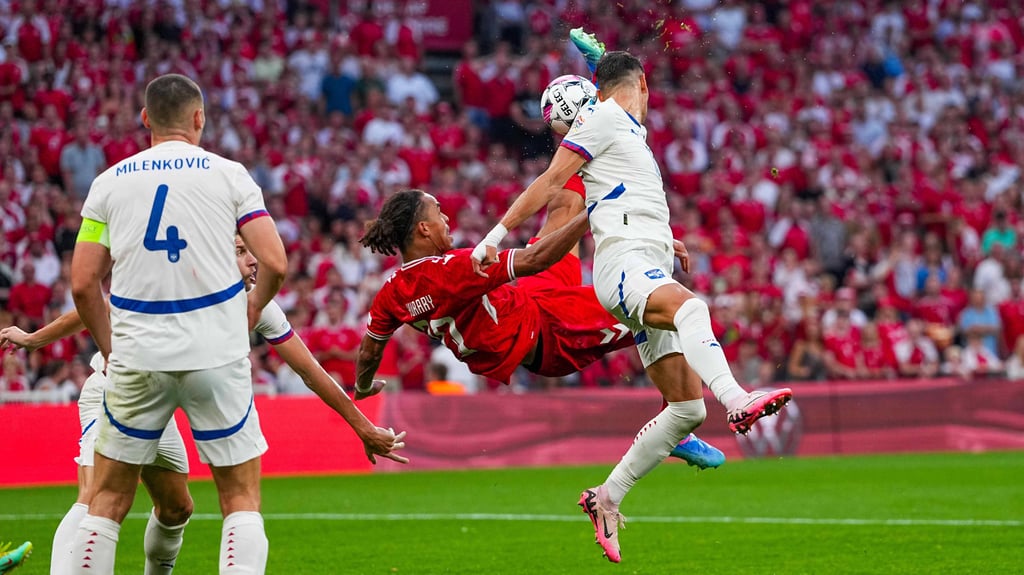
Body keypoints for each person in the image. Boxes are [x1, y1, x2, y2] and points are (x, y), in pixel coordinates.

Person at [472, 33, 792, 562]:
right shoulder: (600, 120)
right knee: (693, 307)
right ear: (639, 86)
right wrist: (493, 236)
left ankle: (607, 497)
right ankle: (738, 401)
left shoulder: (627, 128)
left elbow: (622, 178)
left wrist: (670, 240)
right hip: (624, 267)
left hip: (647, 256)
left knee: (686, 410)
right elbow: (551, 182)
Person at [69, 74, 377, 574]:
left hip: (138, 358)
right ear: (199, 118)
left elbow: (84, 284)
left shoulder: (108, 183)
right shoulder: (230, 175)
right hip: (215, 354)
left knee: (105, 502)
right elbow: (274, 262)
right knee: (239, 499)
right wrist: (250, 311)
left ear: (145, 119)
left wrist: (111, 347)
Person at [2, 235, 408, 574]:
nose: (253, 262)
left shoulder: (255, 303)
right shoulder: (176, 281)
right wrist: (35, 339)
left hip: (159, 410)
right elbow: (99, 303)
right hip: (111, 392)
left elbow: (309, 370)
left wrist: (362, 425)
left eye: (253, 252)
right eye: (241, 251)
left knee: (177, 508)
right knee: (95, 497)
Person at [355, 190, 723, 470]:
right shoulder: (454, 269)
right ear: (423, 228)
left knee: (566, 200)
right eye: (438, 213)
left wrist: (363, 386)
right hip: (550, 333)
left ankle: (579, 132)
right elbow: (535, 259)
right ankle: (678, 427)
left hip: (528, 300)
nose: (446, 218)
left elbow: (370, 351)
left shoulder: (391, 293)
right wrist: (599, 214)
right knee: (666, 308)